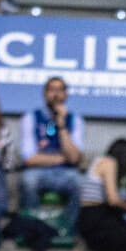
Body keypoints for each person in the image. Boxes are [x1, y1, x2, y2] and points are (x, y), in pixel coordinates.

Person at [17, 76, 84, 209]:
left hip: (66, 173)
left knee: (80, 183)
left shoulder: (75, 120)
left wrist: (62, 125)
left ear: (66, 94)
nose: (56, 95)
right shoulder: (30, 118)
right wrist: (64, 158)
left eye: (60, 90)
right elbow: (29, 159)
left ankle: (68, 223)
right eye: (52, 90)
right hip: (37, 171)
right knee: (28, 181)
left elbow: (74, 158)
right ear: (44, 93)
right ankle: (33, 221)